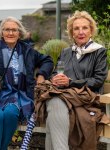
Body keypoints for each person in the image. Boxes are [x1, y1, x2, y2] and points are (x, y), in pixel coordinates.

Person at [0, 16, 54, 150]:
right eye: (7, 30)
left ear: (19, 33)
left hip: (18, 94)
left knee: (10, 113)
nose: (10, 33)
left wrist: (41, 75)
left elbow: (47, 60)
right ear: (1, 32)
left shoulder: (27, 50)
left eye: (14, 30)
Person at [45, 11, 108, 150]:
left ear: (91, 31)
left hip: (86, 100)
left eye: (85, 28)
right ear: (71, 32)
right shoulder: (66, 52)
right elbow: (57, 72)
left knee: (53, 110)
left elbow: (98, 80)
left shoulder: (99, 52)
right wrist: (55, 78)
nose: (81, 32)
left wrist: (70, 82)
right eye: (76, 28)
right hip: (65, 97)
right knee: (55, 105)